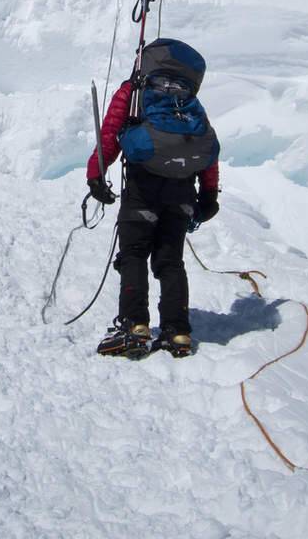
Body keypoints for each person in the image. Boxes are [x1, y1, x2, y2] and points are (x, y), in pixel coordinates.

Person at [86, 38, 220, 359]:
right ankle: (178, 332)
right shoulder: (187, 100)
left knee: (133, 254)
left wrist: (96, 175)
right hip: (182, 192)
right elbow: (205, 147)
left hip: (143, 188)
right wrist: (210, 194)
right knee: (170, 260)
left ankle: (134, 325)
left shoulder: (133, 92)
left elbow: (110, 134)